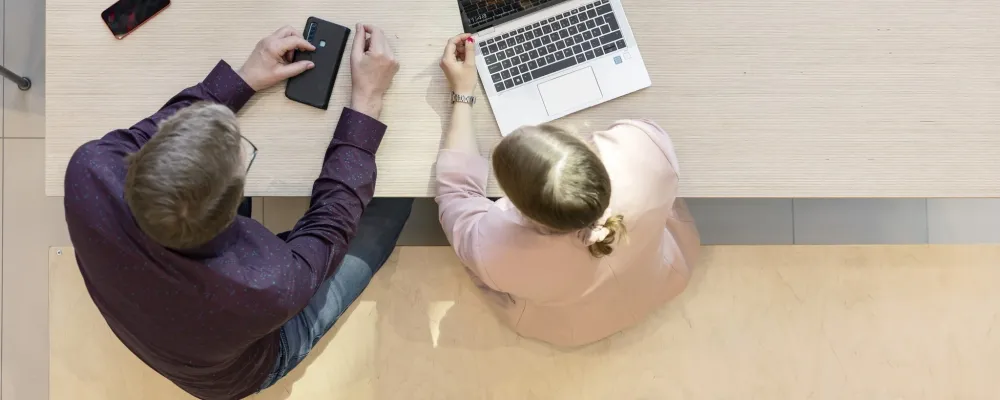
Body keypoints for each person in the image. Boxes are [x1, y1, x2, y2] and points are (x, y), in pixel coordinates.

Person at [63, 25, 412, 399]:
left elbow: (157, 129)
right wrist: (367, 102)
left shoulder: (90, 169)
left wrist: (242, 78)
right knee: (394, 199)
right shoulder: (269, 283)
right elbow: (330, 225)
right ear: (234, 207)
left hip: (156, 320)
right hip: (236, 371)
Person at [434, 33, 701, 346]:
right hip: (664, 277)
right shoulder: (644, 150)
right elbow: (640, 125)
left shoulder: (494, 250)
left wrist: (462, 92)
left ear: (517, 205)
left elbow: (456, 193)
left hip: (574, 327)